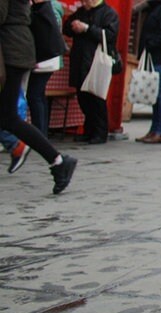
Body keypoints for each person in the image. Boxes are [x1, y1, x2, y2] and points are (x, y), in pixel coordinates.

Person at [1, 0, 78, 193]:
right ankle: (54, 159)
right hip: (14, 49)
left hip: (12, 52)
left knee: (8, 117)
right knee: (7, 116)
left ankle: (58, 160)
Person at [64, 0, 119, 145]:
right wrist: (73, 26)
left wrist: (87, 29)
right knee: (83, 98)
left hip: (96, 61)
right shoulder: (81, 12)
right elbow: (66, 29)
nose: (83, 2)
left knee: (96, 98)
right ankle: (89, 131)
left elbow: (110, 36)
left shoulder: (109, 13)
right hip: (80, 59)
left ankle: (100, 132)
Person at [134, 0, 161, 144]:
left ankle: (160, 131)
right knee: (155, 95)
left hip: (157, 57)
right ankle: (154, 130)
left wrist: (150, 44)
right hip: (153, 56)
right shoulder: (156, 7)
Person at [26, 0, 65, 140]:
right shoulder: (53, 7)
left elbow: (43, 33)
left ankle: (39, 135)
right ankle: (42, 133)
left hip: (44, 57)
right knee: (39, 95)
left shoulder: (46, 8)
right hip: (49, 56)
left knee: (34, 95)